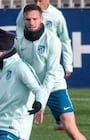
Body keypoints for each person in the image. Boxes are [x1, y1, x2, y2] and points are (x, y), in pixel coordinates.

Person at [0, 4, 90, 140]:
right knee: (10, 123)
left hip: (54, 85)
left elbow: (51, 74)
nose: (31, 22)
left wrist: (41, 101)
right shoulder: (19, 40)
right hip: (29, 86)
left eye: (35, 19)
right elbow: (14, 63)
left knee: (69, 127)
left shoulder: (52, 41)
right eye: (28, 19)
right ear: (23, 20)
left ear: (41, 19)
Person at [16, 0, 73, 131]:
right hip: (31, 60)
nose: (37, 2)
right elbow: (19, 30)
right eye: (34, 0)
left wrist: (68, 64)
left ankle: (59, 117)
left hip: (49, 56)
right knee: (17, 123)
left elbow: (64, 39)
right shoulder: (25, 12)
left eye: (40, 0)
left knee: (51, 81)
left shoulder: (56, 15)